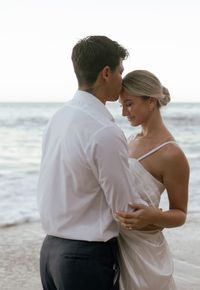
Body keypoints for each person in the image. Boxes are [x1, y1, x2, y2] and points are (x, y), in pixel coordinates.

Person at [37, 36, 146, 290]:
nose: (122, 79)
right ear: (106, 73)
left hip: (50, 254)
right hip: (84, 260)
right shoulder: (104, 130)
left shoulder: (58, 118)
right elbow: (125, 210)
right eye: (120, 71)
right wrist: (164, 219)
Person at [115, 70, 190, 290]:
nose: (123, 112)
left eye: (128, 104)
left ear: (150, 101)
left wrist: (153, 215)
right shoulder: (129, 140)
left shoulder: (172, 154)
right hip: (116, 245)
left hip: (145, 252)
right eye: (121, 105)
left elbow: (180, 214)